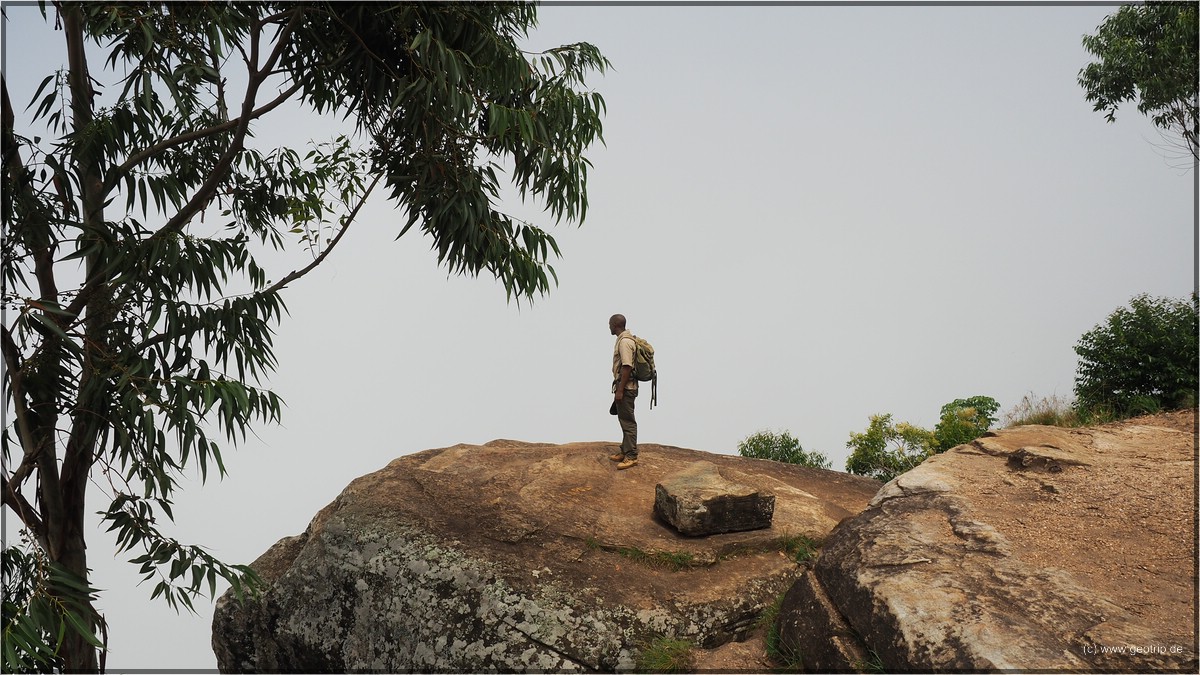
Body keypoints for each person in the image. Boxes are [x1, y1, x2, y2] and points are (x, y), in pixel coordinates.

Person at [608, 314, 638, 469]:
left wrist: (620, 390)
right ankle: (625, 450)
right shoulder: (624, 339)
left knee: (628, 421)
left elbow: (627, 366)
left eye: (610, 324)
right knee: (623, 419)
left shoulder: (624, 342)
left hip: (626, 388)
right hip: (624, 386)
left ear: (615, 325)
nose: (609, 327)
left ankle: (632, 456)